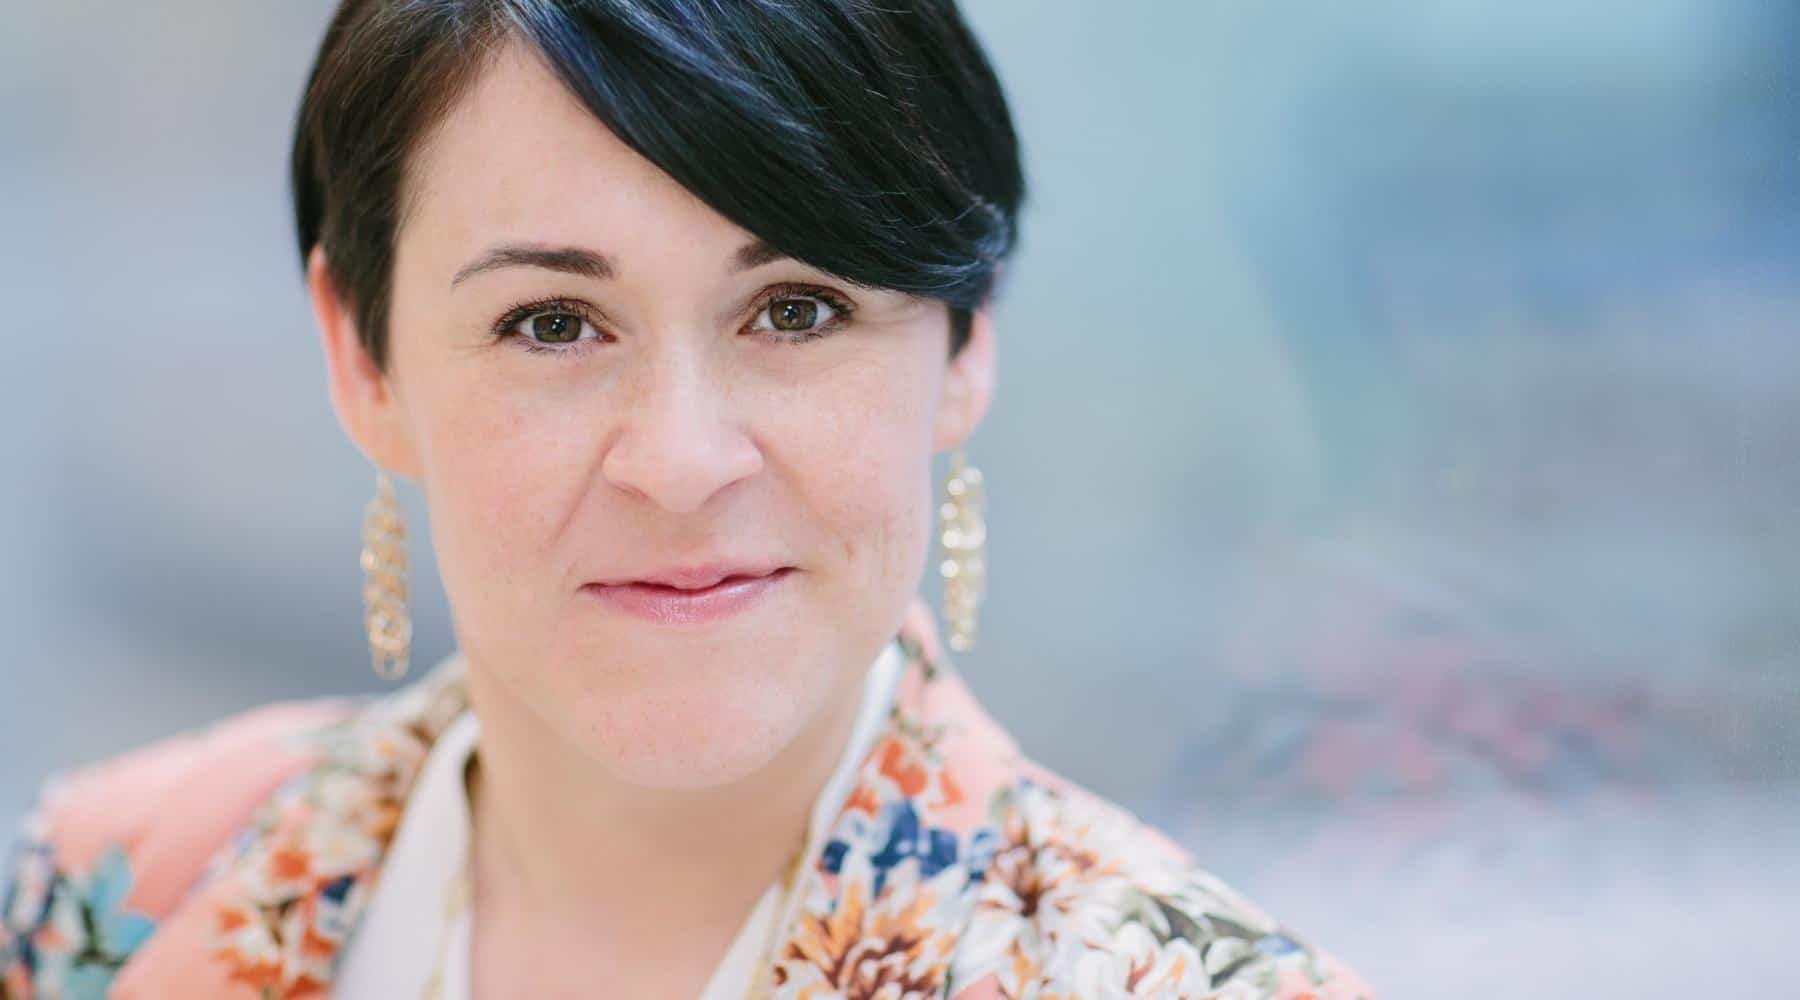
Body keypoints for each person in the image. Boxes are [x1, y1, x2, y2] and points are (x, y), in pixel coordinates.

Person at [0, 2, 1373, 997]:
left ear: (964, 346)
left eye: (794, 309)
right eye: (552, 322)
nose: (680, 459)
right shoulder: (109, 891)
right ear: (362, 356)